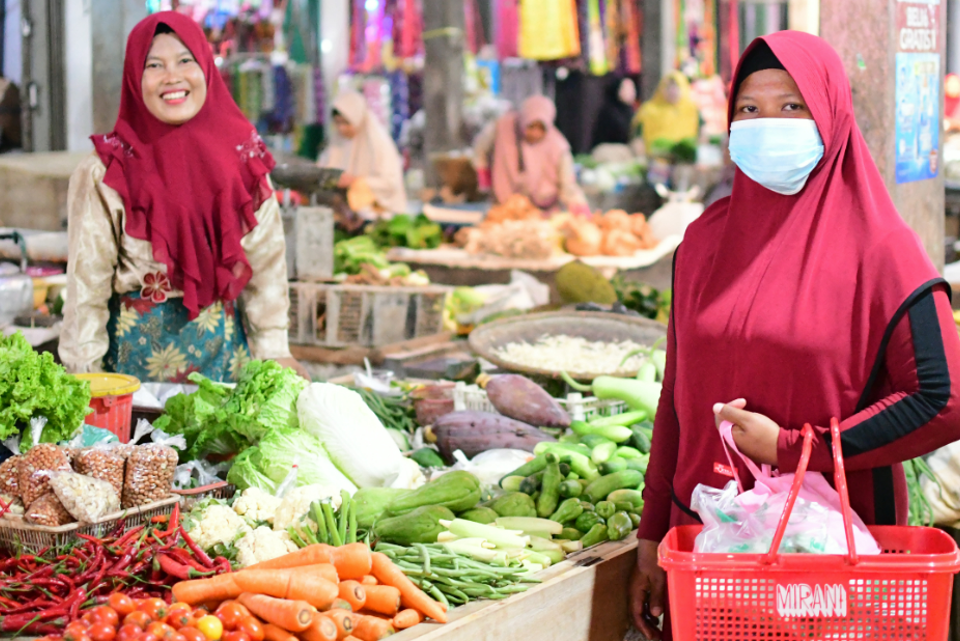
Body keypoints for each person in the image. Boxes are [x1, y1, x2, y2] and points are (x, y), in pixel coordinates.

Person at [629, 32, 960, 640]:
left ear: (831, 118)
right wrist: (652, 536)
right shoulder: (702, 244)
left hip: (835, 549)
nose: (766, 124)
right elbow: (676, 399)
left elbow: (942, 399)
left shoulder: (880, 251)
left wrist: (790, 448)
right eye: (749, 110)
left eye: (791, 106)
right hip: (708, 546)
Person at [60, 12, 308, 383]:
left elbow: (267, 265)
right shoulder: (106, 171)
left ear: (206, 67)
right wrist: (84, 376)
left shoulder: (243, 160)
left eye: (185, 61)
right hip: (131, 375)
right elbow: (86, 287)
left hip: (227, 366)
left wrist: (274, 350)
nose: (172, 77)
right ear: (133, 77)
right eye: (154, 65)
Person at [473, 95, 588, 212]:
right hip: (502, 207)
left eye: (541, 128)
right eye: (531, 126)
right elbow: (480, 150)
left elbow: (567, 185)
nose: (535, 133)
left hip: (542, 211)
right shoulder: (502, 128)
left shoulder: (557, 146)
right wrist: (484, 176)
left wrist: (579, 207)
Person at [319, 91, 408, 214]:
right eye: (338, 123)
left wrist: (356, 181)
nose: (341, 128)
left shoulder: (378, 142)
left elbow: (390, 182)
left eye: (346, 123)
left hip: (376, 213)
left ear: (357, 118)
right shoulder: (336, 142)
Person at [634, 71, 700, 154]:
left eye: (676, 87)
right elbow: (637, 139)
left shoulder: (692, 109)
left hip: (686, 159)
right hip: (656, 159)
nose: (672, 91)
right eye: (669, 87)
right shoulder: (648, 110)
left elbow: (702, 136)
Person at [591, 76, 637, 148]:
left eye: (632, 88)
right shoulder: (609, 111)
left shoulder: (630, 111)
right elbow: (622, 134)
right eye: (627, 89)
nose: (632, 92)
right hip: (609, 149)